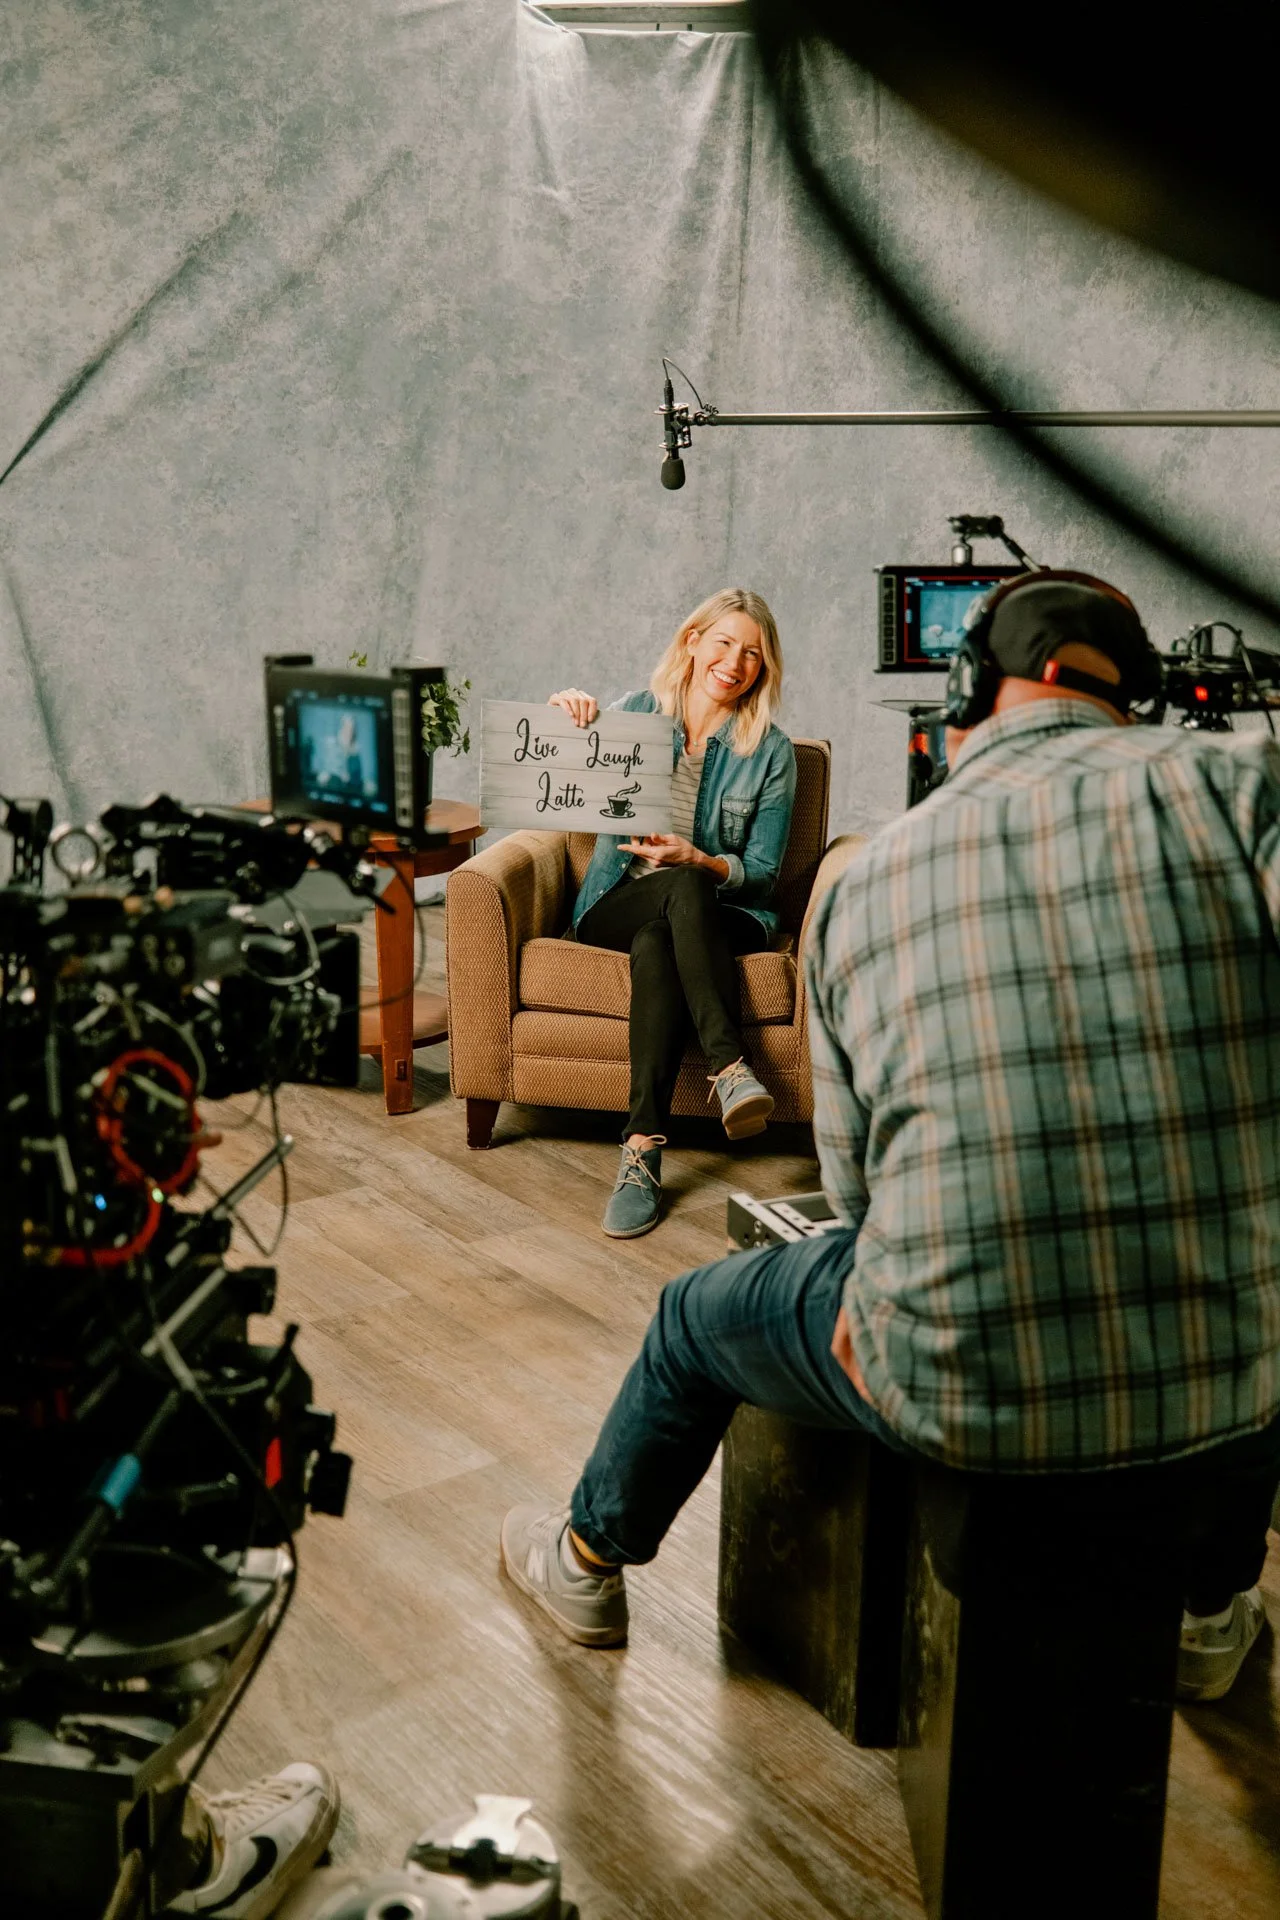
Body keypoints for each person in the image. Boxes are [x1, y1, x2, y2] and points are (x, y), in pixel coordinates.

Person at [501, 575, 1280, 1704]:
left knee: (683, 1319)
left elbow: (859, 1205)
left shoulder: (870, 879)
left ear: (962, 696)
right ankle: (1207, 1616)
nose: (733, 659)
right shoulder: (1244, 787)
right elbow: (571, 805)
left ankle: (583, 1563)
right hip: (1232, 1376)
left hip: (944, 1383)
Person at [550, 588, 797, 1239]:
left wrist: (702, 859)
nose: (735, 662)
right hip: (616, 905)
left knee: (676, 908)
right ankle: (730, 1068)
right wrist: (562, 714)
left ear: (763, 668)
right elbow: (552, 771)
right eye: (724, 642)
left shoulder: (770, 751)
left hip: (723, 913)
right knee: (668, 897)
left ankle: (639, 1152)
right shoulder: (632, 715)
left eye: (752, 653)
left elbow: (764, 874)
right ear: (693, 640)